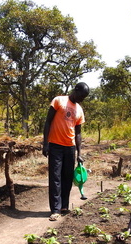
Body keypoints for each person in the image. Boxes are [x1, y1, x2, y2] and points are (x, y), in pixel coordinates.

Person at [42, 82, 90, 221]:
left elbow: (78, 133)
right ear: (76, 90)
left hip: (70, 147)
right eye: (82, 95)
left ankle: (64, 206)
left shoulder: (79, 110)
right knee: (55, 177)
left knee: (67, 177)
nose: (82, 99)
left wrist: (79, 153)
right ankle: (55, 209)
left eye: (84, 97)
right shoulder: (59, 100)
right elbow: (48, 122)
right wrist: (45, 143)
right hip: (55, 145)